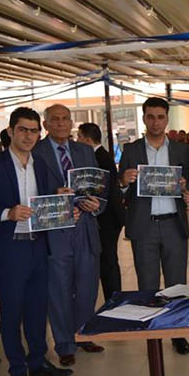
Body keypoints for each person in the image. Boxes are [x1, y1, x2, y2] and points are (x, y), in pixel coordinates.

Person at [0, 107, 74, 376]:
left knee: (37, 308)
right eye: (23, 130)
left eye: (33, 131)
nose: (29, 136)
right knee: (12, 311)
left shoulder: (40, 164)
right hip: (10, 247)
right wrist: (8, 213)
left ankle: (38, 361)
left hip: (38, 244)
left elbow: (44, 202)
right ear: (10, 131)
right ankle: (18, 370)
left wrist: (59, 200)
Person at [119, 97, 189, 355]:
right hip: (144, 226)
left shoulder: (181, 150)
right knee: (148, 283)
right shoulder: (131, 150)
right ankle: (152, 331)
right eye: (150, 116)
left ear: (166, 119)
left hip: (173, 223)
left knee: (177, 283)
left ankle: (177, 333)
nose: (155, 122)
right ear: (144, 118)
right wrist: (124, 181)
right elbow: (120, 189)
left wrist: (186, 188)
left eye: (160, 117)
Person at [33, 104, 104, 366]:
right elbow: (32, 192)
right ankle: (64, 344)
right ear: (46, 124)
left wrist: (97, 205)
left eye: (65, 119)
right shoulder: (36, 153)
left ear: (71, 122)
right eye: (55, 119)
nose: (61, 123)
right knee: (59, 289)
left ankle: (84, 334)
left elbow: (98, 188)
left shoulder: (84, 151)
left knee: (87, 286)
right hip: (55, 230)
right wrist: (55, 196)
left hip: (85, 226)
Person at [77, 122, 124, 302]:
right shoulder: (99, 155)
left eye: (80, 137)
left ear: (88, 140)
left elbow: (103, 191)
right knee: (106, 261)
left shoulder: (100, 158)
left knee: (108, 262)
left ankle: (114, 300)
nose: (77, 141)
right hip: (106, 219)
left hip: (107, 219)